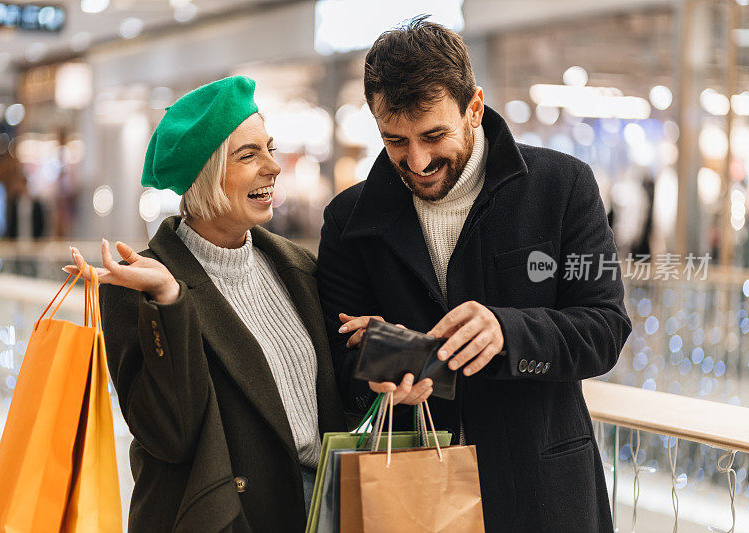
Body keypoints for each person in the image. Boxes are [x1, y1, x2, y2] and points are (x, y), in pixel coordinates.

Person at [317, 18, 632, 533]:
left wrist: (507, 332)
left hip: (542, 493)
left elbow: (604, 330)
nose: (416, 161)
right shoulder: (349, 220)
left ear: (475, 108)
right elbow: (338, 354)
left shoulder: (561, 188)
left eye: (433, 135)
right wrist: (379, 370)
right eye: (394, 140)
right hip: (412, 493)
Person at [64, 76, 346, 532]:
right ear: (205, 174)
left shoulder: (296, 268)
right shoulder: (138, 286)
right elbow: (169, 436)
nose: (273, 166)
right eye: (249, 154)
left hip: (321, 510)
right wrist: (171, 303)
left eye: (269, 148)